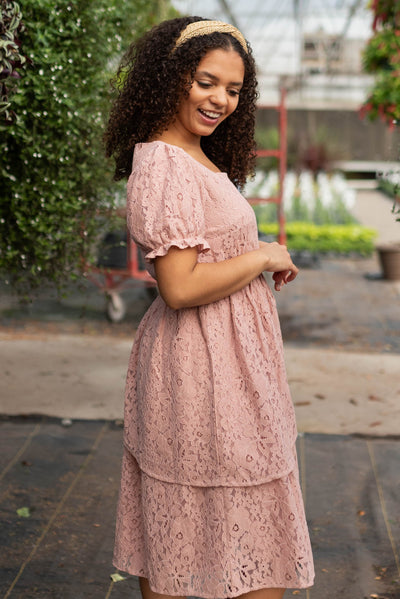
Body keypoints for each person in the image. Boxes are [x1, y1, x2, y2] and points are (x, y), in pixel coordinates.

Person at [104, 16, 314, 599]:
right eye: (206, 81)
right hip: (198, 368)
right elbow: (180, 287)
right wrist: (263, 256)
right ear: (173, 77)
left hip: (234, 365)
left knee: (239, 532)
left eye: (233, 89)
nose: (220, 98)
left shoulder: (195, 157)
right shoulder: (163, 162)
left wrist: (256, 254)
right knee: (191, 525)